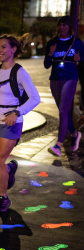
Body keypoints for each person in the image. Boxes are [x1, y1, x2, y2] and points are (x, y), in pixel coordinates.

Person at [0, 34, 40, 212]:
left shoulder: (20, 72)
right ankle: (10, 168)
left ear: (13, 50)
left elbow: (35, 98)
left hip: (11, 123)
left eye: (4, 47)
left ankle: (2, 198)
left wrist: (17, 112)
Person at [44, 15, 83, 156]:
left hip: (70, 79)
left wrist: (79, 59)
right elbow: (46, 65)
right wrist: (50, 54)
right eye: (60, 25)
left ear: (69, 27)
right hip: (55, 79)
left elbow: (82, 58)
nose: (62, 28)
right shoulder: (52, 43)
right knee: (64, 111)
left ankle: (58, 146)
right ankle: (75, 134)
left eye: (64, 25)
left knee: (62, 111)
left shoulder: (76, 42)